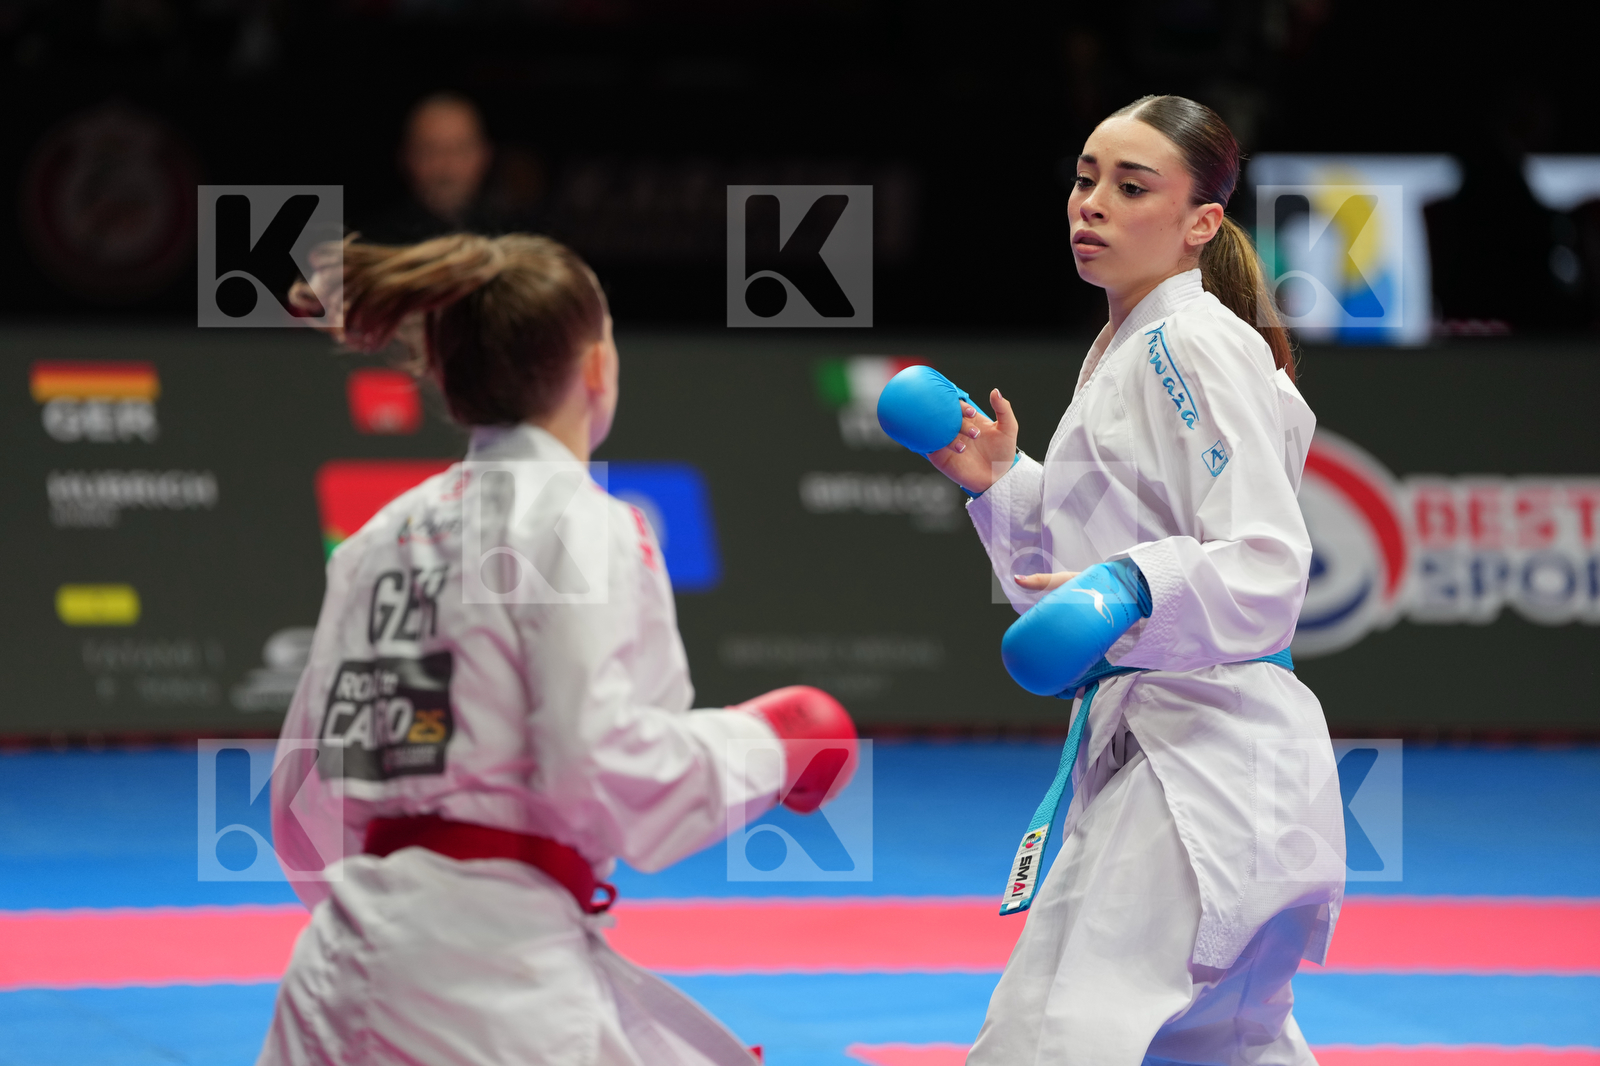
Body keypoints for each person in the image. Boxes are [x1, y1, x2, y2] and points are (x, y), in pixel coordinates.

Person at [258, 232, 859, 1066]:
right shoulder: (580, 521)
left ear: (451, 377)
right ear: (597, 367)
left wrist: (388, 913)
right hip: (490, 984)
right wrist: (769, 746)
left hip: (334, 977)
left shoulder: (378, 538)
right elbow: (597, 761)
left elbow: (303, 803)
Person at [925, 96, 1343, 1064]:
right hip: (1202, 753)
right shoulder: (1129, 345)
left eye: (1130, 185)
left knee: (1045, 1037)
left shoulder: (1186, 340)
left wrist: (1130, 585)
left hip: (1203, 757)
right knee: (1218, 1045)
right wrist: (1003, 487)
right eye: (1083, 178)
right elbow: (1080, 583)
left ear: (1202, 222)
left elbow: (1265, 562)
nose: (1092, 203)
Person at [362, 93, 507, 244]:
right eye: (430, 150)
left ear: (485, 155)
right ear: (406, 157)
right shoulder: (371, 242)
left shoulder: (516, 235)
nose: (446, 166)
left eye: (460, 149)